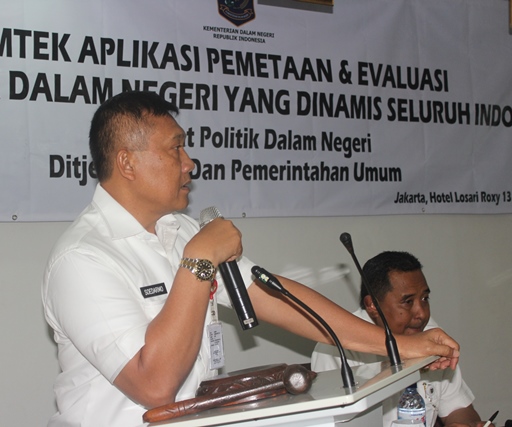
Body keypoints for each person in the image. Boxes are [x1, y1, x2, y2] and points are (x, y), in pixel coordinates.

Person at [42, 91, 459, 427]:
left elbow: (275, 297)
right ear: (127, 163)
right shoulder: (83, 259)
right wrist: (199, 259)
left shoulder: (179, 231)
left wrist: (398, 345)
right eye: (176, 149)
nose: (190, 163)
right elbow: (154, 385)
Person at [311, 251, 484, 427]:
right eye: (408, 302)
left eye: (425, 298)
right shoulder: (333, 349)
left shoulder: (429, 334)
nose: (421, 313)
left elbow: (459, 408)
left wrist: (466, 424)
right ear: (372, 305)